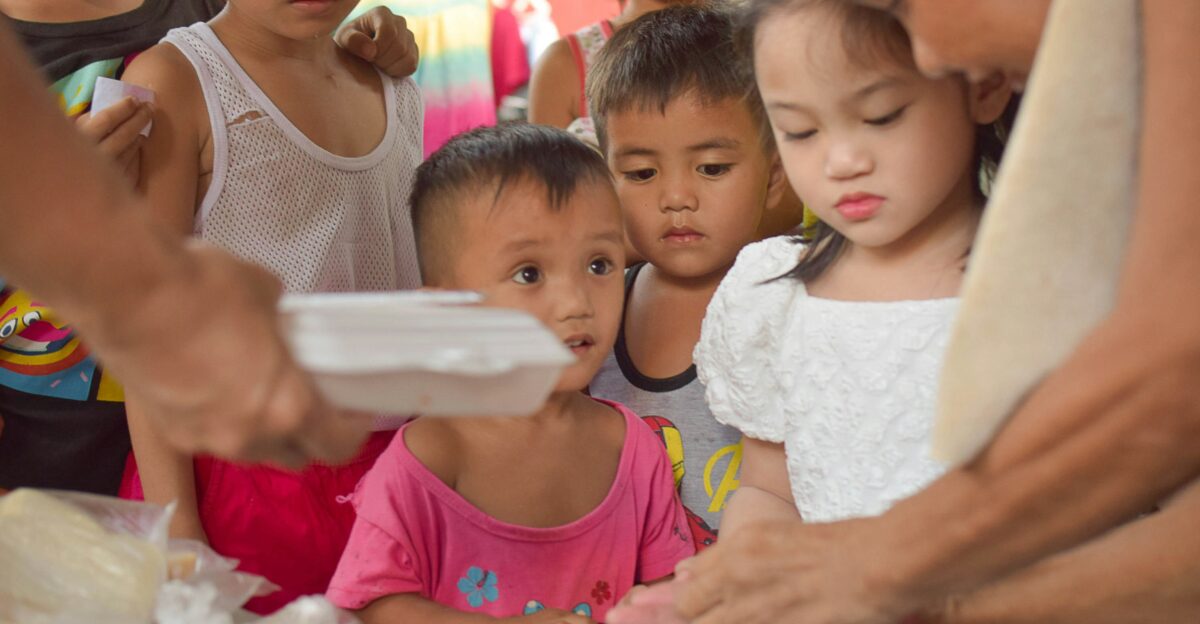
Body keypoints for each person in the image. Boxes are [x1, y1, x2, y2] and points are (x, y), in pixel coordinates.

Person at [613, 0, 1200, 622]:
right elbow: (767, 494)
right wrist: (755, 586)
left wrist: (889, 580)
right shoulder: (771, 292)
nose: (842, 161)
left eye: (882, 115)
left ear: (982, 90)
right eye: (801, 131)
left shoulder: (1068, 275)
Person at [0, 0, 419, 495]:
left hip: (210, 443)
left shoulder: (204, 18)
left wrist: (350, 39)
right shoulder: (171, 70)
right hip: (50, 451)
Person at [117, 0, 424, 612]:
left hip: (400, 472)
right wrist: (178, 526)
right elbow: (147, 326)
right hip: (235, 480)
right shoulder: (175, 80)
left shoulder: (393, 81)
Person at [326, 123, 695, 623]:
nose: (576, 302)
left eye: (599, 265)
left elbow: (671, 597)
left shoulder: (634, 449)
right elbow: (371, 608)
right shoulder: (425, 462)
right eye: (529, 274)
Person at [584, 3, 788, 551]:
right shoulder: (591, 311)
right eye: (641, 173)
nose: (676, 197)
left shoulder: (795, 304)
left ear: (774, 174)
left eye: (712, 168)